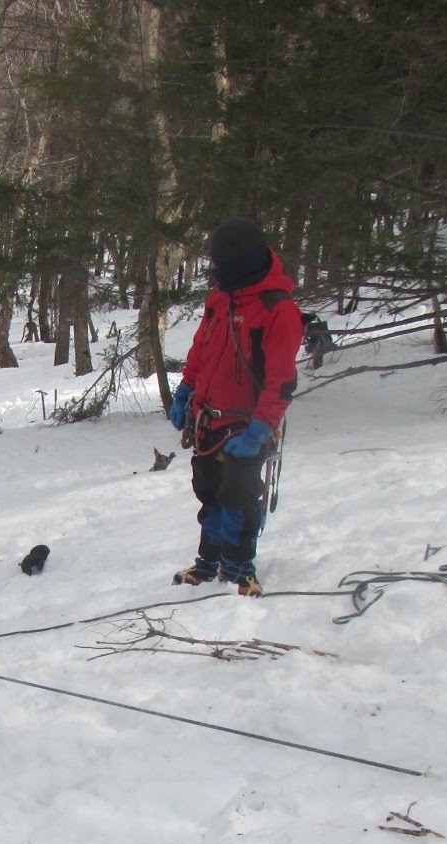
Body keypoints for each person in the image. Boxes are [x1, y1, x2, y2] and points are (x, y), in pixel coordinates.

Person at [168, 217, 305, 596]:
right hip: (207, 419)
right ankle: (208, 562)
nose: (215, 271)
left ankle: (239, 568)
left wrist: (260, 430)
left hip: (247, 425)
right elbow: (201, 349)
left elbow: (282, 381)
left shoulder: (277, 310)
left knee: (238, 498)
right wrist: (186, 390)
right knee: (209, 493)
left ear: (241, 262)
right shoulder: (220, 298)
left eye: (220, 264)